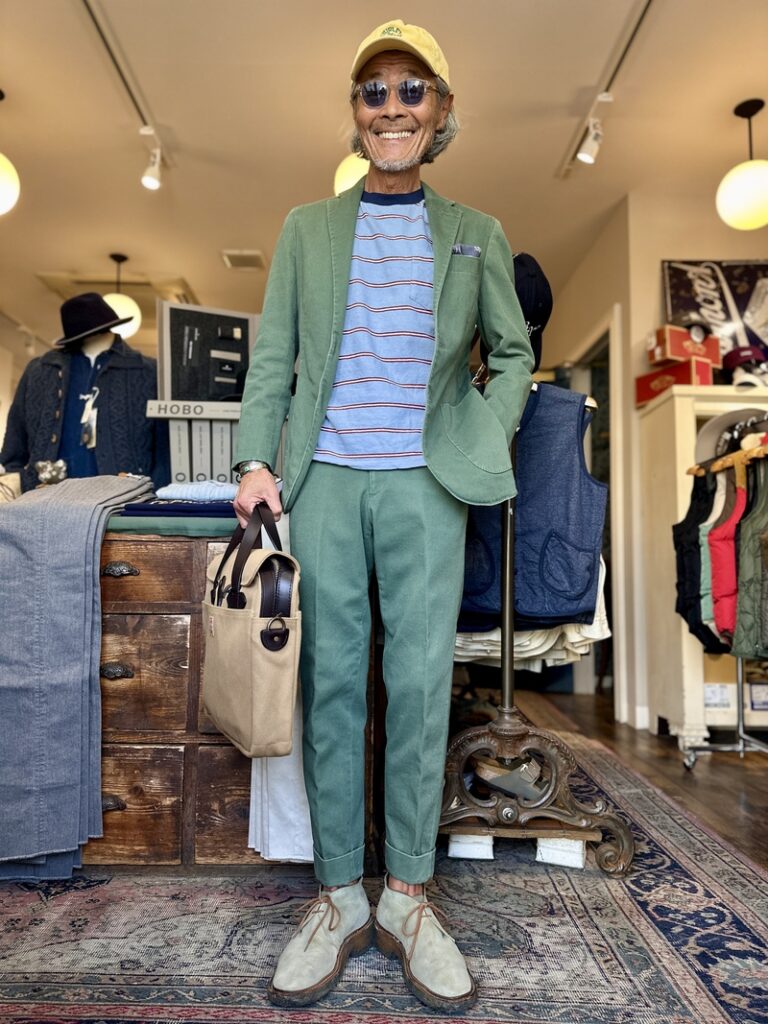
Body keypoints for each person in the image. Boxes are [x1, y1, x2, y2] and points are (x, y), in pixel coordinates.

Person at [233, 20, 533, 1012]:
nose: (392, 108)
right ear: (355, 113)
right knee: (330, 687)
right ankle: (337, 897)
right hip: (323, 481)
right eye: (374, 92)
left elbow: (514, 353)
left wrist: (480, 432)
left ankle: (406, 896)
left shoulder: (477, 230)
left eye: (412, 91)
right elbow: (275, 357)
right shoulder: (306, 228)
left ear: (440, 112)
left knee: (418, 686)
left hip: (425, 486)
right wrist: (256, 461)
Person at [0, 292, 170, 491]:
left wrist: (153, 496)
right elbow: (14, 447)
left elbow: (164, 451)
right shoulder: (40, 371)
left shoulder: (147, 372)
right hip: (46, 499)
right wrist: (23, 487)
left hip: (123, 500)